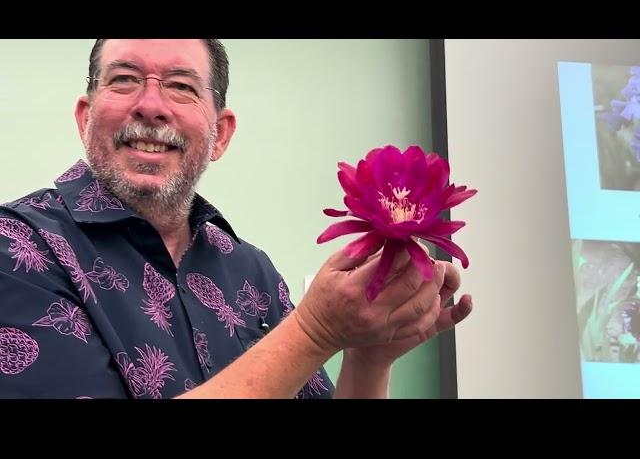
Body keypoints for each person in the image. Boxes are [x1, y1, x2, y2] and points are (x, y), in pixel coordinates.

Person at [0, 39, 472, 399]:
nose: (150, 105)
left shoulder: (252, 269)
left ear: (220, 135)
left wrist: (369, 359)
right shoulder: (19, 246)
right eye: (124, 79)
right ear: (85, 119)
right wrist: (313, 333)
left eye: (182, 87)